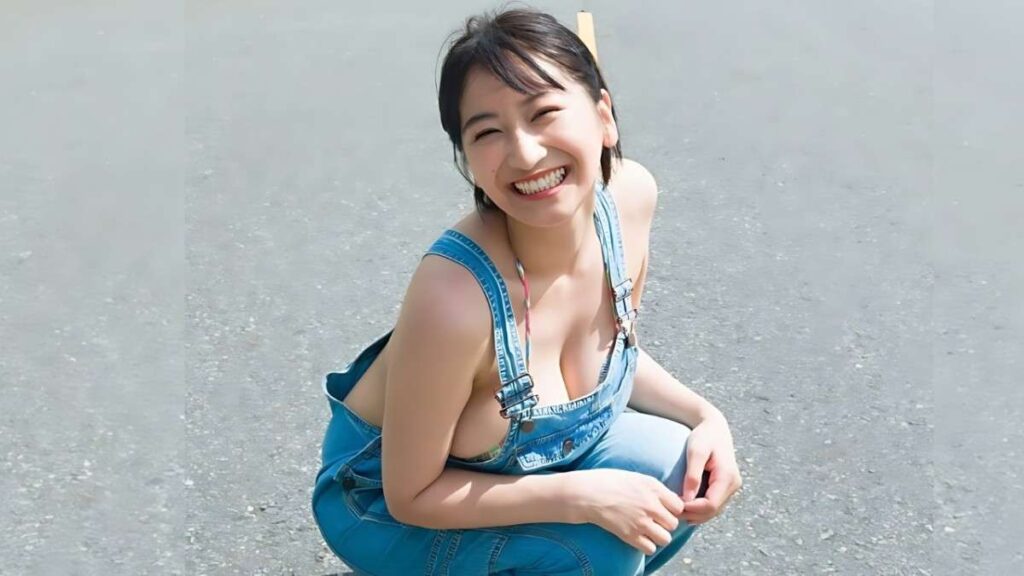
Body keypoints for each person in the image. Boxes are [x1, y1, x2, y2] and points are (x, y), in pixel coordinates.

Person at [311, 8, 742, 575]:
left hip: (512, 470)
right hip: (384, 506)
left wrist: (708, 418)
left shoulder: (630, 202)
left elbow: (608, 353)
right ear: (468, 161)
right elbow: (410, 495)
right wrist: (580, 497)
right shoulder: (455, 298)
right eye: (488, 132)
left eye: (544, 113)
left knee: (680, 468)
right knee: (598, 547)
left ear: (603, 117)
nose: (525, 153)